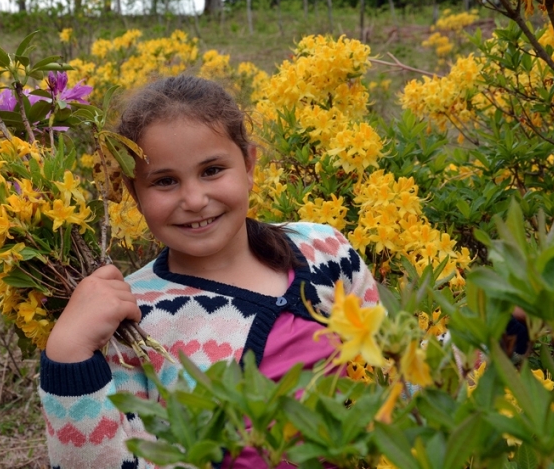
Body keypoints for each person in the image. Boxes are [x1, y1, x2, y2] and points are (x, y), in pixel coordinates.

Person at [39, 75, 379, 468]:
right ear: (135, 194)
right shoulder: (133, 316)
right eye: (165, 181)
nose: (195, 200)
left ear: (249, 165)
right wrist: (68, 355)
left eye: (212, 170)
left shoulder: (323, 249)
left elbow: (387, 370)